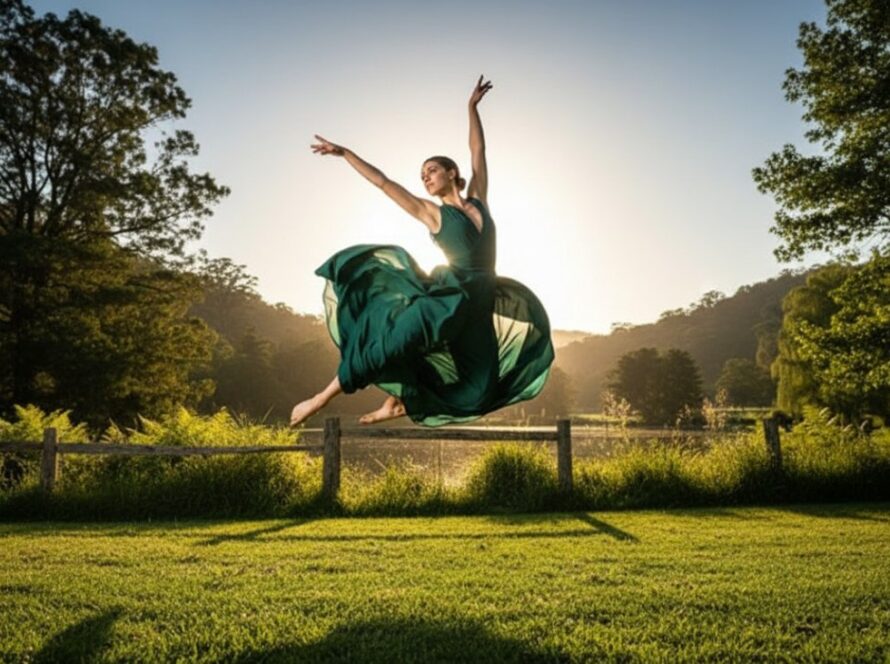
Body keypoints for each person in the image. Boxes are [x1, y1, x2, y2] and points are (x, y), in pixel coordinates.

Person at [290, 75, 554, 428]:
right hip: (446, 298)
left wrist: (471, 108)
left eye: (431, 170)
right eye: (422, 175)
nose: (426, 178)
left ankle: (400, 402)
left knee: (480, 390)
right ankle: (320, 398)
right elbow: (384, 182)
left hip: (478, 304)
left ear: (451, 172)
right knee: (392, 344)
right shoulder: (432, 214)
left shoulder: (479, 200)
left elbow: (479, 152)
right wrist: (345, 153)